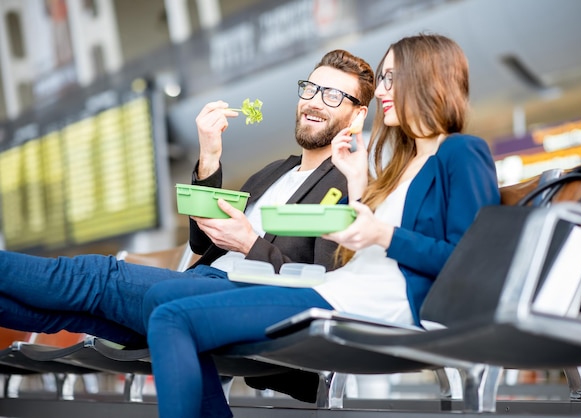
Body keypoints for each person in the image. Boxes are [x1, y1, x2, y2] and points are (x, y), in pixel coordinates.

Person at [142, 33, 501, 418]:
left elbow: (469, 262)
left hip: (371, 304)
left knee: (173, 317)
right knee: (173, 314)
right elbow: (369, 246)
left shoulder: (462, 151)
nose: (381, 90)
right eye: (382, 78)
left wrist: (381, 233)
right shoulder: (402, 164)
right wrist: (358, 186)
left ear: (427, 79)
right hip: (340, 290)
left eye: (392, 78)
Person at [0, 49, 375, 395]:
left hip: (242, 301)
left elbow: (327, 287)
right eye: (311, 88)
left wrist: (250, 245)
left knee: (95, 276)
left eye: (333, 95)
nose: (313, 100)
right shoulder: (274, 172)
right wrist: (209, 156)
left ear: (357, 114)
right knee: (72, 310)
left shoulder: (350, 183)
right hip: (198, 283)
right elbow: (203, 243)